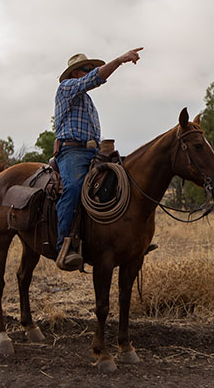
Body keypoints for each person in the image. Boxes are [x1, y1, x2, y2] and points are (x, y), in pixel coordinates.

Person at [54, 47, 143, 269]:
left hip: (93, 152)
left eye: (91, 68)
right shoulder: (66, 88)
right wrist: (120, 60)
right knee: (74, 187)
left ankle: (124, 240)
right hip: (72, 151)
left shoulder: (87, 102)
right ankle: (64, 245)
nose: (91, 71)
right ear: (76, 73)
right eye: (87, 69)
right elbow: (96, 79)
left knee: (122, 178)